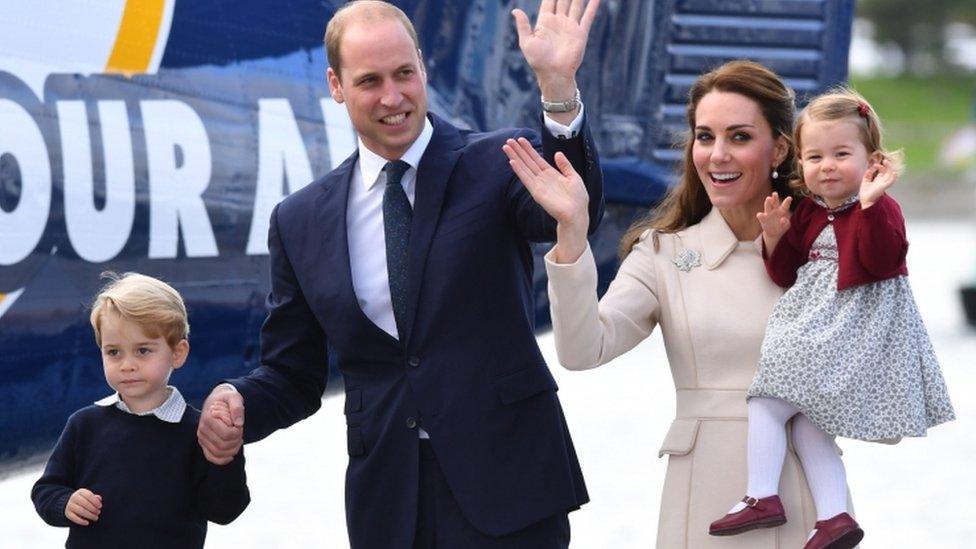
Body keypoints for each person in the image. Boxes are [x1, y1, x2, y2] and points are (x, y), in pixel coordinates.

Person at [195, 0, 604, 547]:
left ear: (423, 69)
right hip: (390, 505)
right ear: (336, 86)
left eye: (404, 74)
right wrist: (240, 403)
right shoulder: (298, 221)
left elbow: (573, 211)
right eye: (369, 81)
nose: (393, 98)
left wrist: (558, 92)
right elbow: (293, 375)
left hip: (511, 489)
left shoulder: (496, 160)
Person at [504, 60, 834, 548]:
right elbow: (581, 350)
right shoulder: (663, 252)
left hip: (807, 498)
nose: (717, 155)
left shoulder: (825, 249)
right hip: (701, 503)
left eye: (739, 137)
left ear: (780, 148)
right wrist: (571, 234)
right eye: (705, 137)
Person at [709, 88, 955, 549]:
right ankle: (835, 516)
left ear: (872, 159)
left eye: (841, 154)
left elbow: (881, 261)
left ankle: (761, 494)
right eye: (814, 156)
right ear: (800, 163)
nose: (826, 166)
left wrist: (869, 205)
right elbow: (783, 274)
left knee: (766, 397)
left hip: (853, 331)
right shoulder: (806, 211)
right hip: (817, 325)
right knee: (805, 424)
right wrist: (774, 238)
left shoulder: (883, 209)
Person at [31, 273, 250, 549]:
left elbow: (225, 510)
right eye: (113, 352)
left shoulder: (198, 431)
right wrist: (66, 503)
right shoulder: (84, 424)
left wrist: (225, 456)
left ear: (178, 353)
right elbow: (45, 491)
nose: (127, 365)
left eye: (143, 350)